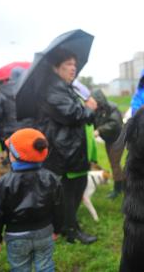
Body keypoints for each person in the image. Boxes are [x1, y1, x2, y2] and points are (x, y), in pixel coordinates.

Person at [36, 48, 98, 244]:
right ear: (56, 68)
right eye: (68, 65)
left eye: (74, 64)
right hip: (63, 151)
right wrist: (89, 109)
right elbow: (73, 114)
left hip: (71, 148)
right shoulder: (53, 89)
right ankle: (71, 231)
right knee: (68, 192)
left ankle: (65, 225)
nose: (73, 68)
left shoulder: (66, 87)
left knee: (75, 189)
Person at [0, 128, 63, 272]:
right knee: (45, 266)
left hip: (16, 236)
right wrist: (57, 228)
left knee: (20, 268)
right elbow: (59, 206)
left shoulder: (2, 183)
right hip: (44, 232)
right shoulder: (51, 178)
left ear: (13, 156)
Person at [90, 89, 125, 199]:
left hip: (118, 139)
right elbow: (94, 122)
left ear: (99, 100)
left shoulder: (112, 108)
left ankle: (117, 189)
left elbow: (115, 123)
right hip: (109, 140)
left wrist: (99, 130)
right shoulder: (97, 109)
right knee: (113, 163)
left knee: (115, 163)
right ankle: (123, 185)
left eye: (94, 101)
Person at [0, 67, 32, 151]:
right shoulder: (30, 89)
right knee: (27, 155)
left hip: (8, 131)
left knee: (10, 156)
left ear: (11, 76)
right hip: (28, 129)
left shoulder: (0, 90)